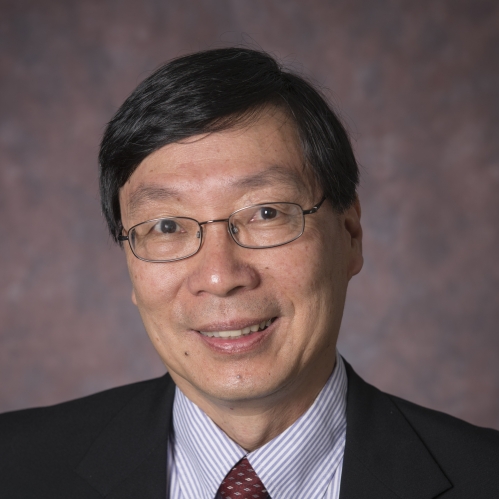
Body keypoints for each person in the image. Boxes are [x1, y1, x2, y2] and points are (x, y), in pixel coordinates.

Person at [1, 47, 498, 499]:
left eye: (265, 213)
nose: (220, 276)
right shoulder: (16, 468)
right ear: (130, 263)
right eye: (167, 225)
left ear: (350, 235)